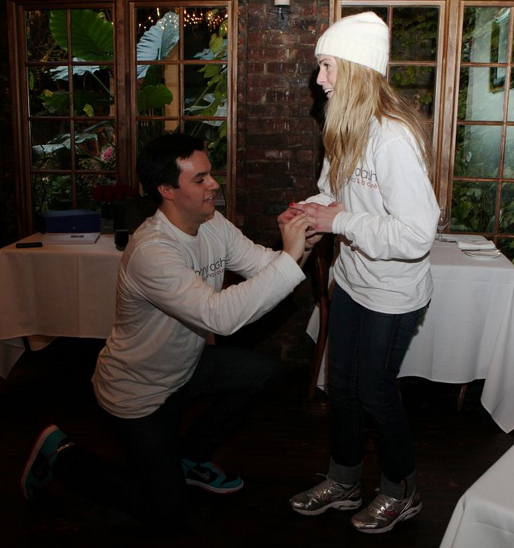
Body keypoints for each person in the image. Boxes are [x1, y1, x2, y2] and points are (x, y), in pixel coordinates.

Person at [21, 133, 314, 533]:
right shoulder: (153, 251)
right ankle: (60, 455)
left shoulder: (212, 223)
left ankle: (190, 458)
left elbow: (267, 266)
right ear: (167, 190)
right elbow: (220, 317)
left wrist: (304, 242)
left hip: (185, 367)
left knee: (266, 374)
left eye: (210, 174)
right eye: (200, 179)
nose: (213, 185)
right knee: (168, 515)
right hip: (139, 391)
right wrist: (292, 255)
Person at [279, 11, 440, 534]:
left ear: (354, 69)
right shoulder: (343, 126)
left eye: (327, 66)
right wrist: (310, 210)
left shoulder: (393, 138)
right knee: (341, 388)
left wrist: (339, 221)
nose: (319, 78)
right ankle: (344, 480)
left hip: (393, 293)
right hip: (352, 280)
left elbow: (417, 234)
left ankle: (402, 489)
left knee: (374, 391)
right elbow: (335, 193)